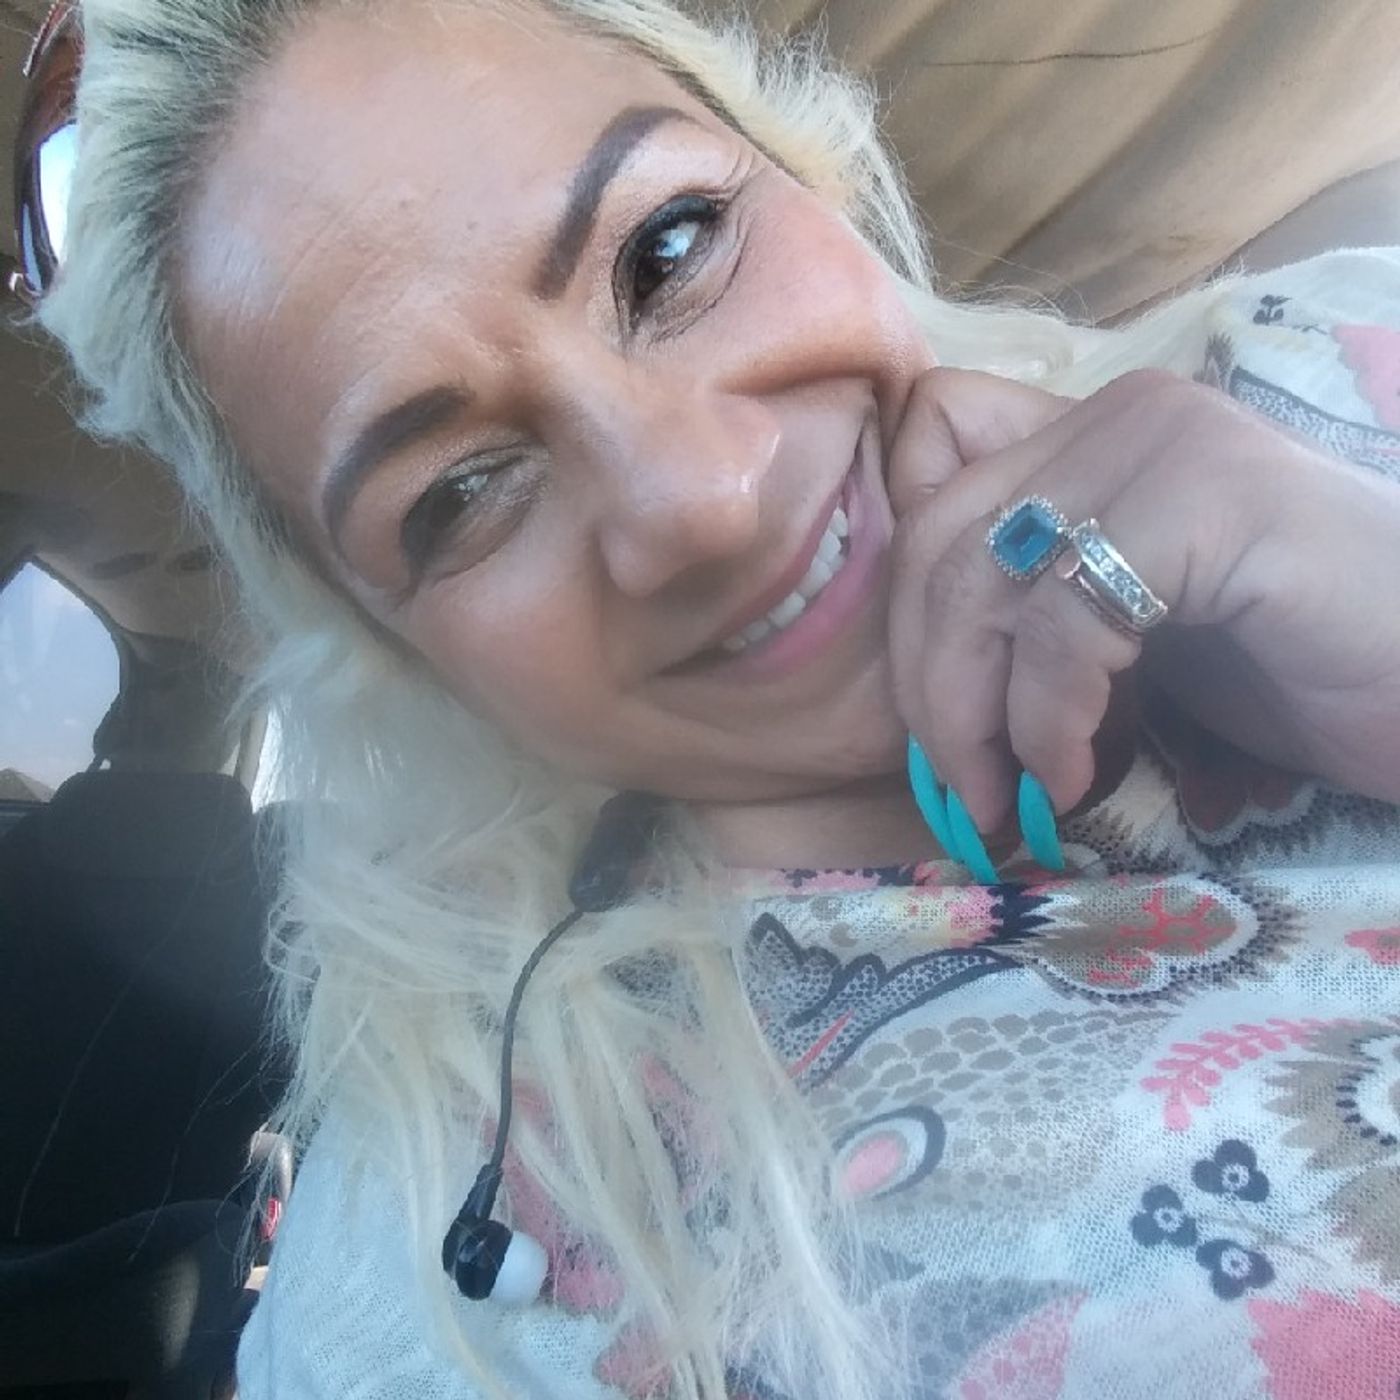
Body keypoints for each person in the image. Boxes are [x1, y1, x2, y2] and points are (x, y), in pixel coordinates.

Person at [32, 0, 1400, 1395]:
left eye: (670, 250)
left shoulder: (1335, 358)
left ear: (806, 171)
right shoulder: (445, 1271)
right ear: (396, 648)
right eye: (459, 494)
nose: (704, 500)